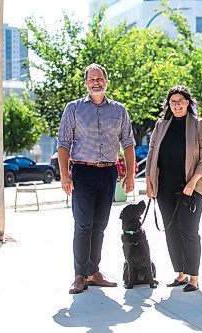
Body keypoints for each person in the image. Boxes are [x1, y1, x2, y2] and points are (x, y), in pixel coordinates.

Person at [57, 63, 136, 294]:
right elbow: (63, 144)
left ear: (106, 81)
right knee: (83, 225)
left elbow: (128, 143)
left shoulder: (119, 110)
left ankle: (93, 272)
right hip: (82, 172)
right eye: (91, 79)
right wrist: (64, 175)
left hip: (108, 173)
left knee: (100, 226)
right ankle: (79, 276)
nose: (96, 82)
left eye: (99, 78)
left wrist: (130, 174)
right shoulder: (73, 109)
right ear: (86, 83)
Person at [145, 85, 202, 292]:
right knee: (171, 230)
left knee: (189, 231)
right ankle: (180, 273)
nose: (177, 105)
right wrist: (149, 180)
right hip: (164, 187)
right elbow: (151, 153)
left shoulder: (199, 125)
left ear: (188, 103)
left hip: (190, 187)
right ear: (169, 105)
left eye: (180, 102)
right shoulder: (161, 125)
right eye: (173, 102)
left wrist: (193, 182)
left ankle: (193, 277)